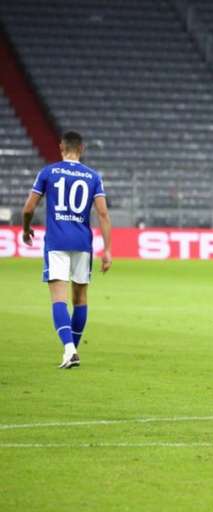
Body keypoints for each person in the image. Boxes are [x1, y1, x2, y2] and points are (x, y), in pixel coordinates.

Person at [21, 131, 112, 369]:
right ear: (81, 148)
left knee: (58, 299)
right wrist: (108, 250)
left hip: (57, 242)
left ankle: (69, 350)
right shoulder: (93, 177)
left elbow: (29, 208)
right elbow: (103, 214)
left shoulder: (48, 172)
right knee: (80, 299)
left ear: (61, 147)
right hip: (83, 243)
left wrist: (26, 228)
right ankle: (71, 351)